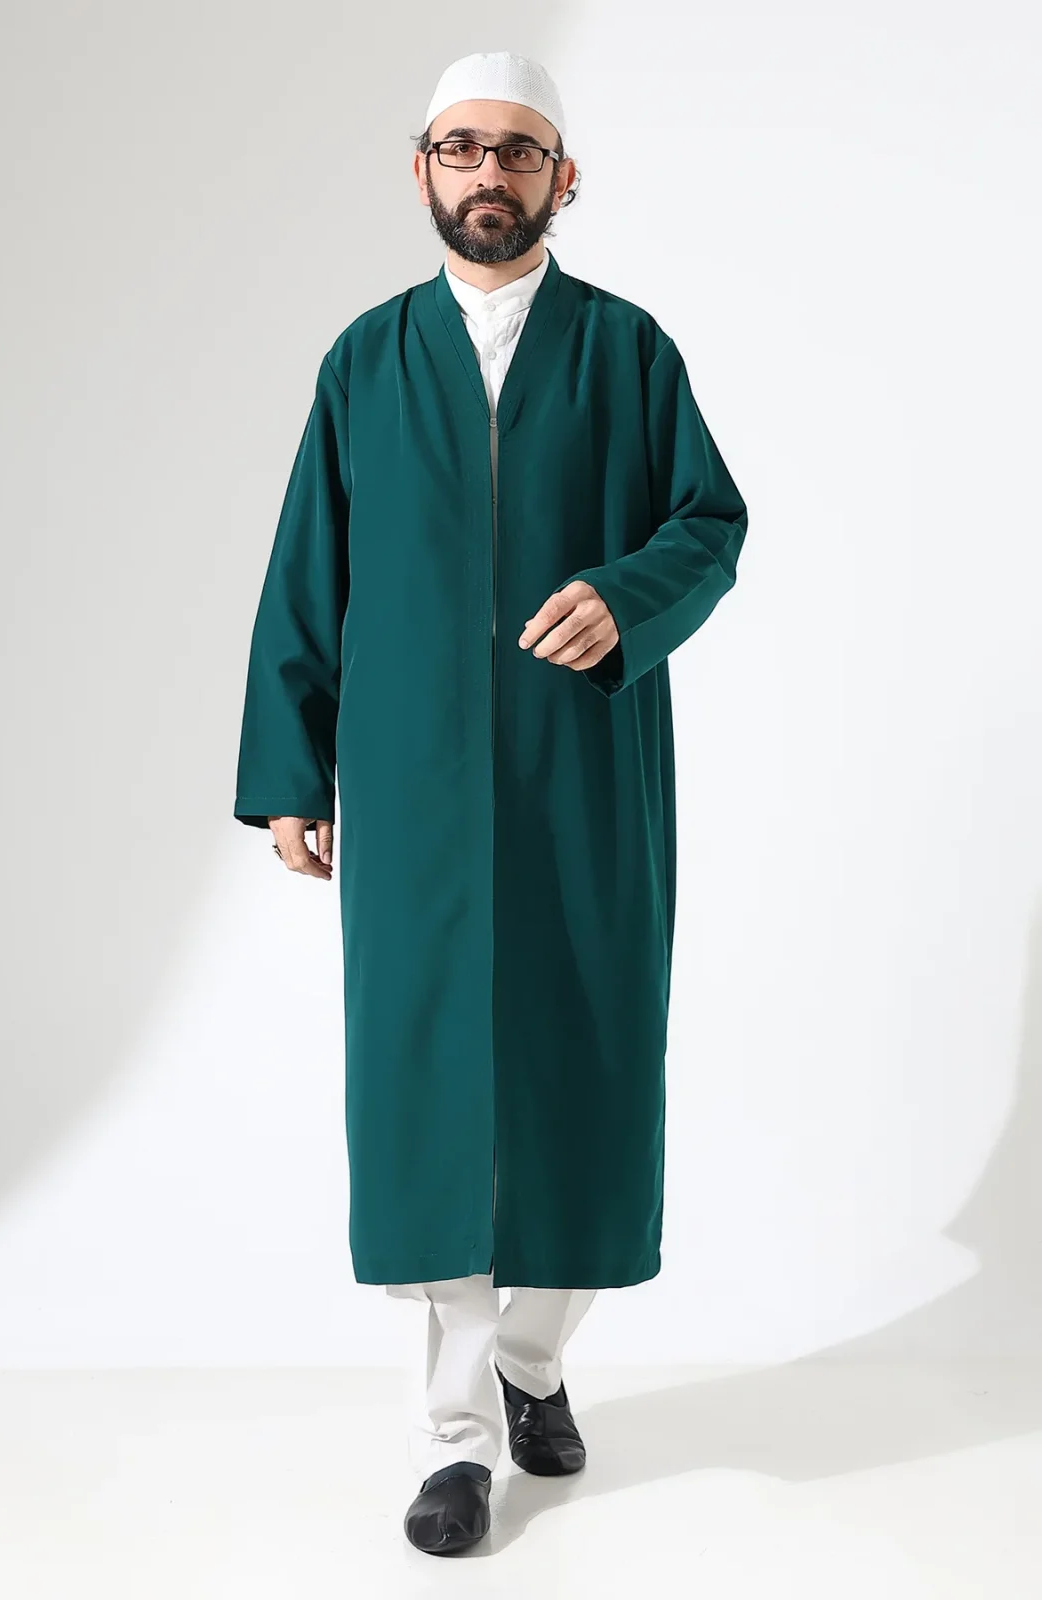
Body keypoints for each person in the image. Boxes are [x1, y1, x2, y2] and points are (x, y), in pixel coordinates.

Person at [232, 50, 748, 1555]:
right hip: (411, 786)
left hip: (584, 771)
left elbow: (709, 522)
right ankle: (453, 1441)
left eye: (516, 152)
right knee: (426, 1092)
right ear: (421, 171)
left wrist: (626, 595)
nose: (487, 174)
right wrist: (292, 769)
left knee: (591, 1067)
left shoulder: (626, 352)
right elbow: (307, 573)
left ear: (561, 179)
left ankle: (532, 1358)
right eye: (460, 148)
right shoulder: (366, 362)